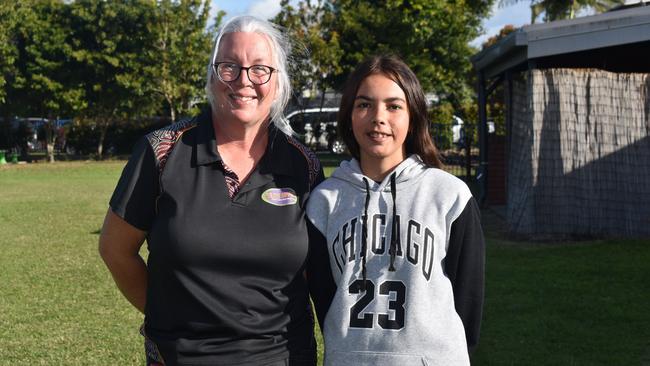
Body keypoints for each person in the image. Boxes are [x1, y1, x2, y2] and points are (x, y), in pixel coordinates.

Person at [99, 15, 327, 366]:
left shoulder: (305, 166)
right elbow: (115, 250)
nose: (244, 80)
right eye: (229, 67)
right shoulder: (161, 152)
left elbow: (317, 275)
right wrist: (169, 318)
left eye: (260, 69)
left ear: (278, 82)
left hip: (283, 357)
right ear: (211, 75)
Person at [306, 55, 485, 366]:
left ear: (412, 115)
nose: (378, 117)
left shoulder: (449, 195)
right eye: (364, 104)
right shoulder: (325, 201)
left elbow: (468, 303)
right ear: (349, 115)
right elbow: (324, 300)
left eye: (393, 106)